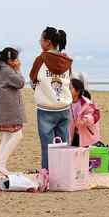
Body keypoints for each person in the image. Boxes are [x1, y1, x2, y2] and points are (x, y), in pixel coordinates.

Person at [29, 26, 73, 170]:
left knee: (47, 146)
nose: (39, 42)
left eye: (41, 39)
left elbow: (33, 80)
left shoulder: (41, 59)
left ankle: (47, 174)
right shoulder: (66, 60)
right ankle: (64, 173)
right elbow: (69, 81)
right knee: (64, 144)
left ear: (47, 42)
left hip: (46, 108)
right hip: (64, 107)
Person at [0, 47, 26, 175]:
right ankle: (1, 163)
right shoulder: (8, 71)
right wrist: (18, 69)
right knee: (17, 135)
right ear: (10, 60)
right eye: (16, 59)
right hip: (9, 110)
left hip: (5, 109)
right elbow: (21, 82)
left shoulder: (2, 68)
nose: (18, 61)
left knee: (6, 136)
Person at [69, 78, 101, 147]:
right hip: (71, 137)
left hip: (86, 138)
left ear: (77, 91)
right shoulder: (66, 103)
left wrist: (86, 119)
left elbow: (96, 115)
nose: (67, 90)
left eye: (70, 88)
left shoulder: (87, 103)